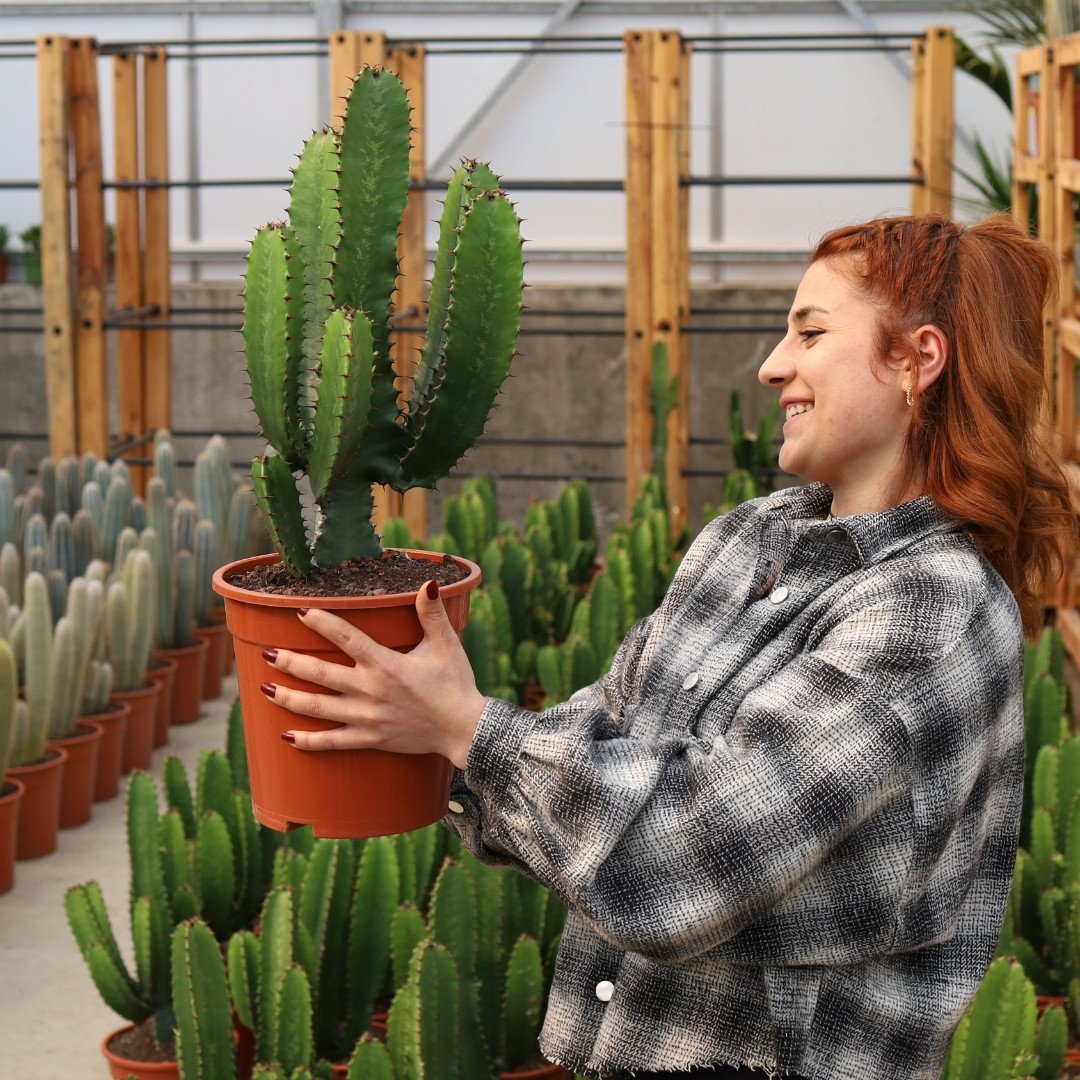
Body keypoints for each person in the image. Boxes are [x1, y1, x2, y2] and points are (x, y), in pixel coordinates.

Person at [257, 212, 1076, 1080]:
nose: (771, 365)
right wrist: (418, 730)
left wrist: (468, 731)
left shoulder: (931, 611)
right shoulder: (747, 539)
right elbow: (604, 734)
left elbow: (683, 855)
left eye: (810, 332)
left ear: (917, 359)